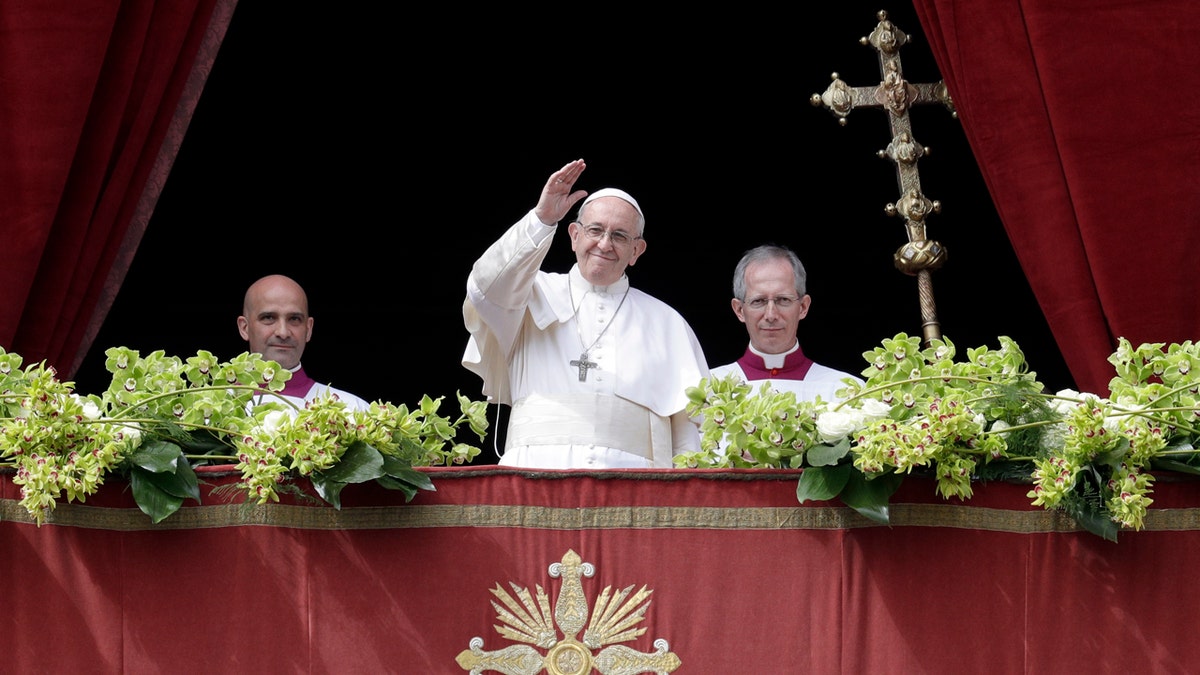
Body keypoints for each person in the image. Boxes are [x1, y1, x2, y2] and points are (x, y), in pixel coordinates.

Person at [461, 158, 708, 469]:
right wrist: (542, 219)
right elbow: (483, 288)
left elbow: (689, 432)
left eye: (620, 236)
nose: (604, 244)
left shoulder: (668, 323)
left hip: (636, 495)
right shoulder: (528, 294)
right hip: (532, 483)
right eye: (595, 230)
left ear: (637, 251)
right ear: (574, 235)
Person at [711, 245, 863, 401]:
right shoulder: (710, 390)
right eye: (758, 301)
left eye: (783, 300)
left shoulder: (845, 390)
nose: (771, 315)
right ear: (739, 310)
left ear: (803, 307)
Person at [237, 274, 371, 412]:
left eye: (294, 319)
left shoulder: (352, 410)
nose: (283, 332)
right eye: (269, 318)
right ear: (244, 328)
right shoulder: (218, 406)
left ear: (308, 329)